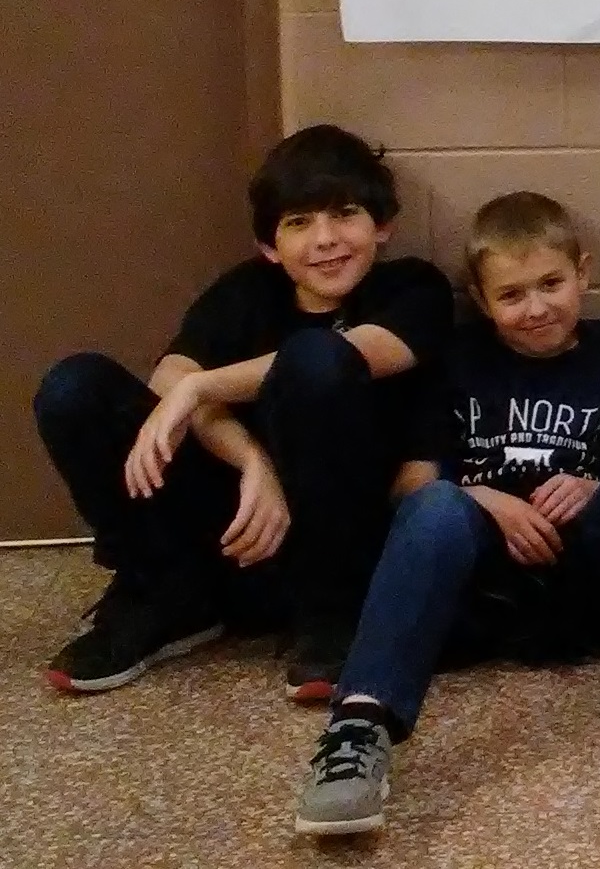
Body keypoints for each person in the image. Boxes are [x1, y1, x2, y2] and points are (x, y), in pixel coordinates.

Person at [293, 192, 600, 836]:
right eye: (512, 295)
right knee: (434, 506)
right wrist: (487, 500)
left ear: (583, 273)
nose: (536, 308)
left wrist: (595, 484)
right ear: (482, 303)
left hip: (597, 574)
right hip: (487, 586)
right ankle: (357, 731)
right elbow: (411, 483)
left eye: (551, 284)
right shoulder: (455, 359)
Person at [33, 124, 453, 701]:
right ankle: (164, 593)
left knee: (316, 361)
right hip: (238, 533)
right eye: (299, 223)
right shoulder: (245, 292)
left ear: (382, 225)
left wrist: (201, 390)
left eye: (344, 214)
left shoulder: (414, 289)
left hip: (341, 545)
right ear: (270, 247)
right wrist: (253, 459)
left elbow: (351, 355)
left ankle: (330, 617)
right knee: (73, 387)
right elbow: (171, 376)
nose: (325, 239)